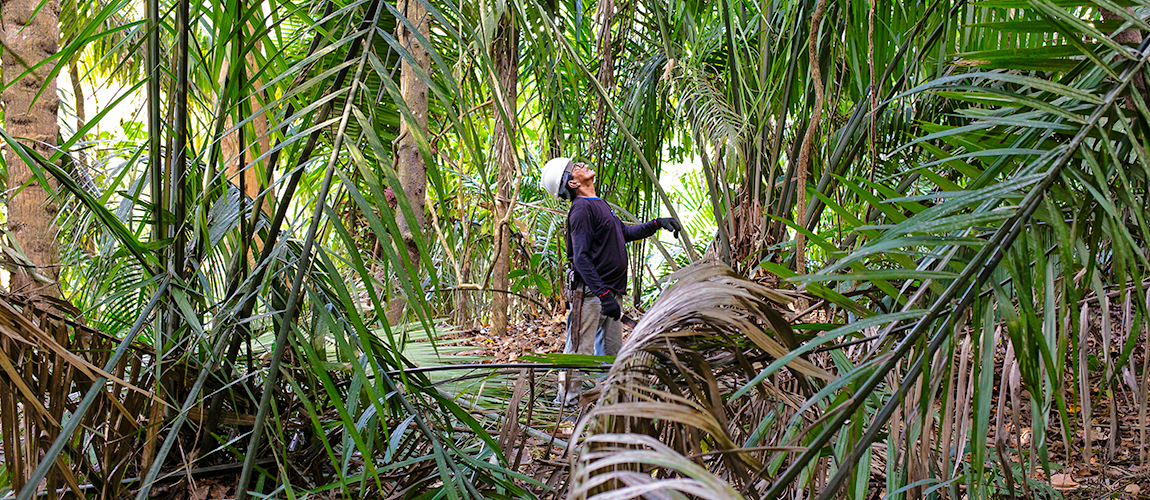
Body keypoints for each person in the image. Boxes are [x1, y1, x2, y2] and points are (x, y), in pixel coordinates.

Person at [540, 157, 682, 405]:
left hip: (609, 294)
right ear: (572, 182)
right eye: (576, 168)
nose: (583, 165)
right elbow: (581, 258)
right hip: (593, 295)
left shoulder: (598, 204)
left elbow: (623, 233)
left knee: (611, 353)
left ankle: (609, 399)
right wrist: (603, 295)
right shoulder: (582, 210)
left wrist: (658, 224)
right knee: (579, 350)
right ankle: (565, 402)